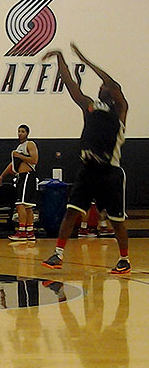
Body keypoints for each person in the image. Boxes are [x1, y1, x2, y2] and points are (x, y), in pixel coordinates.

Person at [41, 43, 131, 275]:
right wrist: (60, 58)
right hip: (88, 169)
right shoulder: (90, 106)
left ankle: (124, 259)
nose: (102, 86)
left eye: (105, 86)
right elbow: (71, 85)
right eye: (101, 85)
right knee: (72, 211)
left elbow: (113, 83)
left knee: (116, 220)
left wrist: (85, 59)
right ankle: (58, 255)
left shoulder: (120, 109)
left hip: (109, 172)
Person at [0, 125, 38, 243]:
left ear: (27, 133)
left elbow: (34, 160)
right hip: (21, 176)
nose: (20, 133)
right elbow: (12, 165)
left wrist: (19, 155)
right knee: (28, 206)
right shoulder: (19, 147)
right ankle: (30, 231)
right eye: (19, 131)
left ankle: (22, 231)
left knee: (20, 204)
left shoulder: (30, 144)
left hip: (28, 175)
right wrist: (2, 175)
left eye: (23, 131)